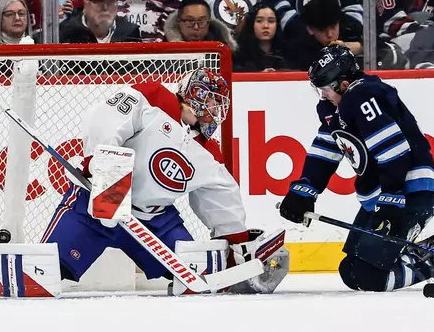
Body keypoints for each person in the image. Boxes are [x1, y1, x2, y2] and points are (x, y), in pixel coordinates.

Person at [41, 68, 289, 294]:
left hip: (154, 222)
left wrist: (238, 247)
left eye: (220, 105)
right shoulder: (155, 98)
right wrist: (102, 165)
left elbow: (223, 200)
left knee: (196, 279)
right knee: (44, 274)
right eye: (213, 100)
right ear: (194, 94)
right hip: (91, 207)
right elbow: (106, 117)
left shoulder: (209, 153)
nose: (216, 110)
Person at [278, 44, 434, 292]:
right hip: (380, 199)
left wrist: (392, 198)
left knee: (369, 276)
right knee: (350, 271)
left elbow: (393, 151)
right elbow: (324, 152)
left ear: (343, 82)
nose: (323, 94)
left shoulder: (363, 96)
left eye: (325, 88)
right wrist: (303, 191)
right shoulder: (335, 108)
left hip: (408, 195)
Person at [59, 0, 141, 43]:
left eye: (111, 1)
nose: (105, 7)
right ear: (86, 4)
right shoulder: (66, 32)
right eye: (99, 1)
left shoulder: (129, 32)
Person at [164, 0, 237, 50]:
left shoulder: (224, 48)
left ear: (209, 22)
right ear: (178, 22)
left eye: (201, 21)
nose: (196, 27)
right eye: (190, 21)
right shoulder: (163, 50)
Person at [233, 2, 288, 72]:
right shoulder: (239, 55)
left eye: (271, 21)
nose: (265, 26)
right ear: (252, 24)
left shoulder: (287, 53)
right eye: (259, 21)